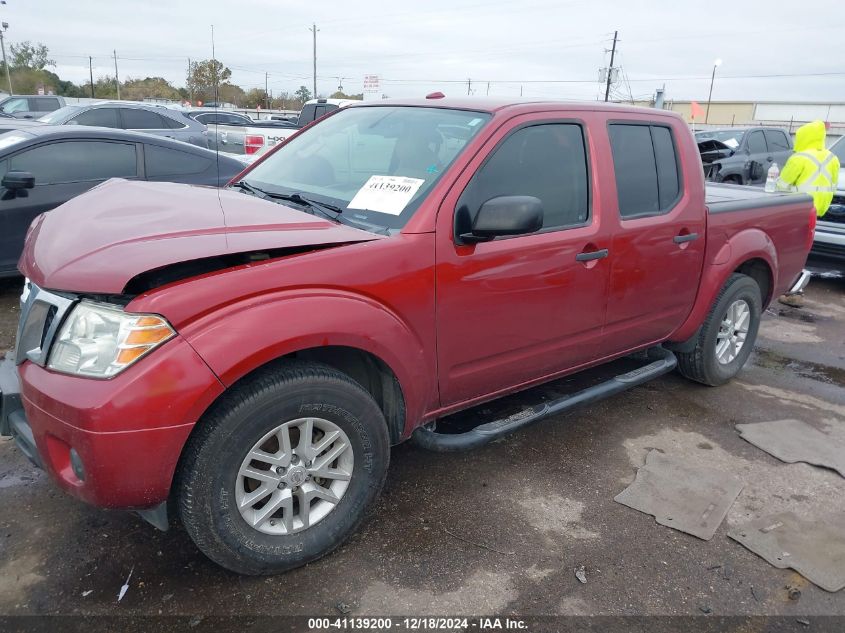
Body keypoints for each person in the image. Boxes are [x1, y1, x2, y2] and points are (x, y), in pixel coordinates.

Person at [776, 120, 840, 307]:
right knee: (803, 249)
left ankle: (790, 289)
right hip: (817, 211)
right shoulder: (832, 159)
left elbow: (782, 185)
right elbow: (833, 185)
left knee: (787, 250)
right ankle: (795, 289)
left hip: (796, 210)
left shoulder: (799, 158)